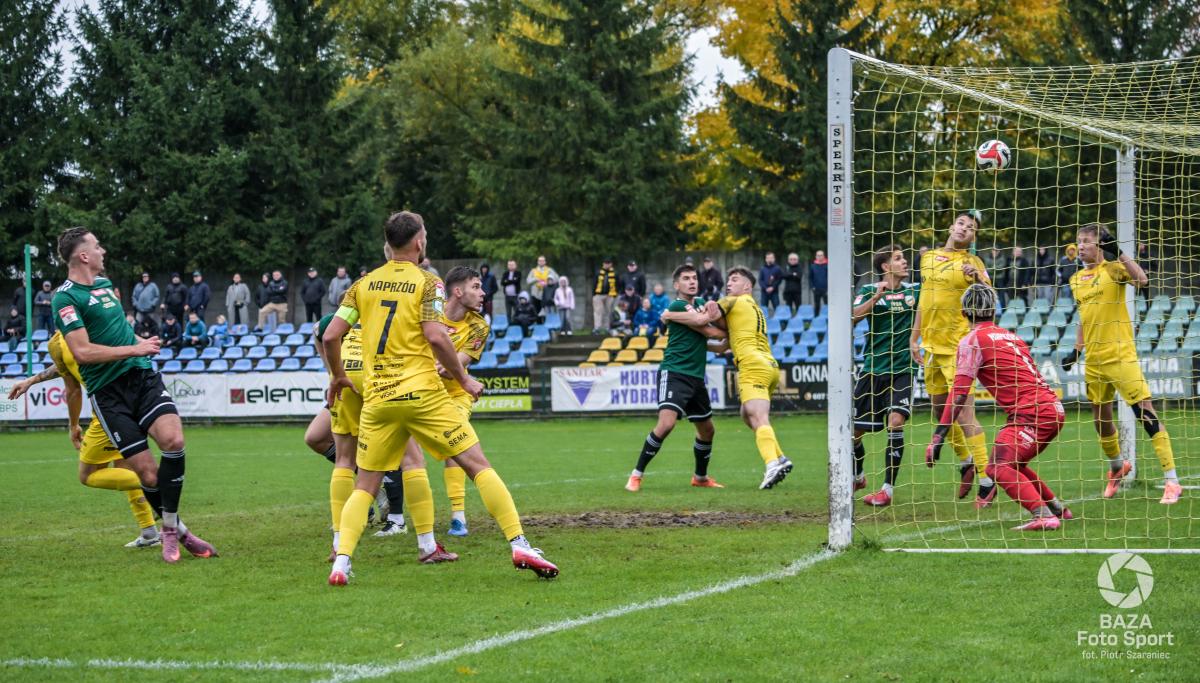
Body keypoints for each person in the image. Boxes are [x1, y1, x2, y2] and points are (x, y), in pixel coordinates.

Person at [322, 210, 558, 585]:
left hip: (379, 399)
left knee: (365, 485)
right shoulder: (428, 283)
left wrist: (337, 376)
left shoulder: (362, 285)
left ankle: (342, 562)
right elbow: (435, 336)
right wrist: (464, 379)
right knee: (477, 465)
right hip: (422, 393)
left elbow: (330, 335)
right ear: (419, 242)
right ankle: (520, 543)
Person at [51, 227, 216, 563]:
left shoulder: (104, 286)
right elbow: (82, 352)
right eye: (97, 246)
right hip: (108, 394)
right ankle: (179, 532)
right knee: (148, 474)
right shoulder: (64, 299)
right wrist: (134, 348)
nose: (103, 251)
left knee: (174, 440)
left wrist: (140, 344)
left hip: (141, 377)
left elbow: (118, 333)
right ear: (83, 255)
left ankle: (168, 528)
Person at [928, 284, 1072, 530]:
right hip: (1051, 407)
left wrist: (938, 436)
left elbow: (959, 393)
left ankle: (1044, 516)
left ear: (963, 313)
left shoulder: (972, 341)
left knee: (996, 467)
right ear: (994, 311)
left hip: (1032, 411)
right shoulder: (1011, 336)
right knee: (1013, 464)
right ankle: (1059, 509)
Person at [8, 332, 163, 548]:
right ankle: (149, 533)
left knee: (88, 475)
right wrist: (32, 380)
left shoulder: (60, 340)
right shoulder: (91, 326)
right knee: (124, 467)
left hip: (109, 410)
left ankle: (160, 485)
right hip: (134, 402)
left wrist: (73, 425)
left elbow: (73, 390)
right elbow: (67, 366)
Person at [1066, 224, 1181, 504]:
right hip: (1094, 360)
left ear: (1100, 244)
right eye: (1079, 241)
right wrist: (1076, 351)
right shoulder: (1075, 279)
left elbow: (1142, 280)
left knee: (1144, 411)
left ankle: (1172, 481)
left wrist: (1118, 252)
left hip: (1120, 355)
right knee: (1100, 418)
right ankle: (1118, 466)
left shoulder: (1113, 269)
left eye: (1086, 241)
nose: (1080, 246)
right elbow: (1084, 317)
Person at [665, 267, 791, 490]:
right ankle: (780, 458)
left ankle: (772, 464)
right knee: (747, 415)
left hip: (752, 365)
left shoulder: (732, 301)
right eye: (728, 280)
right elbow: (724, 334)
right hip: (769, 365)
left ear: (747, 286)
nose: (729, 284)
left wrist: (669, 315)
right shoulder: (754, 308)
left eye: (734, 280)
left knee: (758, 416)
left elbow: (703, 319)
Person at [909, 210, 995, 506]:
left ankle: (987, 479)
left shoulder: (973, 262)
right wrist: (914, 338)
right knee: (938, 410)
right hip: (931, 347)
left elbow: (991, 297)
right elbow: (924, 301)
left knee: (965, 414)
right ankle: (966, 460)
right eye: (961, 223)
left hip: (959, 349)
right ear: (951, 226)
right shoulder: (928, 258)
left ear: (973, 237)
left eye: (970, 228)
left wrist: (978, 279)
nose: (964, 228)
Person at [626, 264, 724, 492]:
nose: (692, 282)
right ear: (676, 285)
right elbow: (706, 328)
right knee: (666, 424)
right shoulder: (677, 305)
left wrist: (724, 339)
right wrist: (731, 333)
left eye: (694, 278)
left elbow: (710, 335)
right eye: (686, 278)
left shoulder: (699, 303)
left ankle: (700, 478)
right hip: (675, 373)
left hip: (695, 377)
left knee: (707, 430)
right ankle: (636, 475)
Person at [851, 246, 919, 507]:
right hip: (873, 369)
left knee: (896, 421)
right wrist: (877, 297)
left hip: (903, 369)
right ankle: (858, 476)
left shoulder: (915, 291)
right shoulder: (870, 290)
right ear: (885, 266)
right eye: (898, 259)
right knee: (854, 433)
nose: (905, 262)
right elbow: (852, 317)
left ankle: (887, 490)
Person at [592, 257, 618, 333]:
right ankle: (597, 328)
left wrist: (614, 294)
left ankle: (607, 327)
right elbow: (594, 283)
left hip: (610, 295)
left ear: (611, 264)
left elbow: (618, 284)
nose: (607, 265)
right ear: (603, 264)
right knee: (598, 311)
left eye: (608, 263)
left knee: (608, 311)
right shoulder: (598, 272)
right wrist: (594, 294)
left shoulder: (615, 273)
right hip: (598, 295)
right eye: (605, 263)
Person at [809, 251, 828, 318]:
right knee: (817, 305)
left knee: (827, 305)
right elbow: (810, 277)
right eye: (818, 255)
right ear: (816, 256)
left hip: (826, 289)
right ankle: (816, 318)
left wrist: (828, 288)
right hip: (816, 289)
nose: (819, 257)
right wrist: (812, 287)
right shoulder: (813, 266)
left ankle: (827, 318)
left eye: (821, 255)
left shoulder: (827, 265)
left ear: (823, 256)